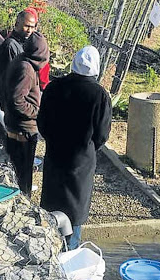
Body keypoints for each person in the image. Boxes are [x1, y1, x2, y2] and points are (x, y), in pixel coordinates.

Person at [37, 46, 112, 250]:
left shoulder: (54, 87)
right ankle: (71, 251)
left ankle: (48, 247)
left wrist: (53, 140)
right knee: (75, 208)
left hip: (55, 154)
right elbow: (102, 134)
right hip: (81, 160)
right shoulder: (99, 95)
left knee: (53, 201)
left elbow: (42, 122)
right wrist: (87, 148)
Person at [4, 32, 49, 196]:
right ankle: (24, 199)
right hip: (23, 128)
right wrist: (37, 112)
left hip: (17, 124)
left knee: (18, 167)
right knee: (23, 169)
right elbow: (17, 100)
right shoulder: (26, 69)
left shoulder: (23, 61)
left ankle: (20, 195)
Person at [0, 9, 37, 111]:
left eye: (32, 27)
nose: (29, 30)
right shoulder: (10, 45)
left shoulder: (25, 44)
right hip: (12, 100)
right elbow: (8, 77)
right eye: (26, 26)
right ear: (17, 24)